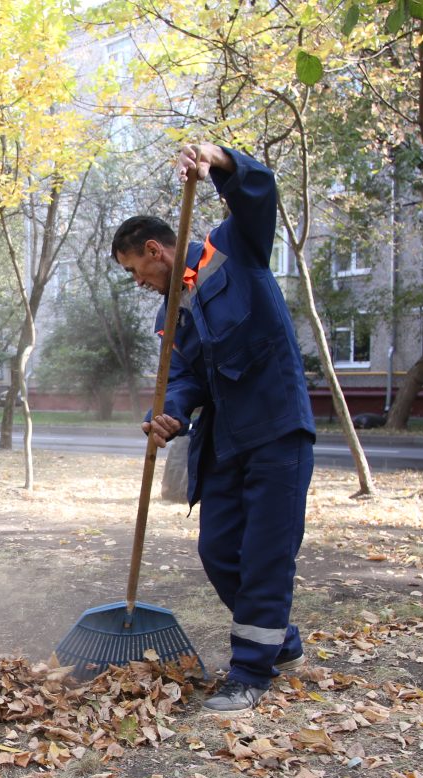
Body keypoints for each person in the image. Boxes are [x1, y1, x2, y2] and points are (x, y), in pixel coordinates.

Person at [111, 144, 316, 716]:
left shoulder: (234, 252)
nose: (139, 282)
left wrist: (220, 162)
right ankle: (281, 643)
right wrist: (169, 414)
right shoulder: (168, 314)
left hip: (276, 429)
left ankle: (250, 673)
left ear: (154, 250)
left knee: (266, 555)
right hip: (224, 442)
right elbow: (183, 380)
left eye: (135, 271)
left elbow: (258, 193)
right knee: (220, 549)